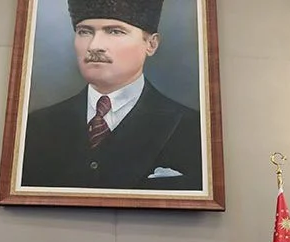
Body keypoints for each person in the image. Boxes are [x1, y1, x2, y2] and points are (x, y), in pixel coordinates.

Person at [21, 0, 203, 191]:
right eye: (84, 32)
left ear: (151, 44)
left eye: (115, 31)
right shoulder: (35, 127)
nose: (94, 45)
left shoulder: (193, 129)